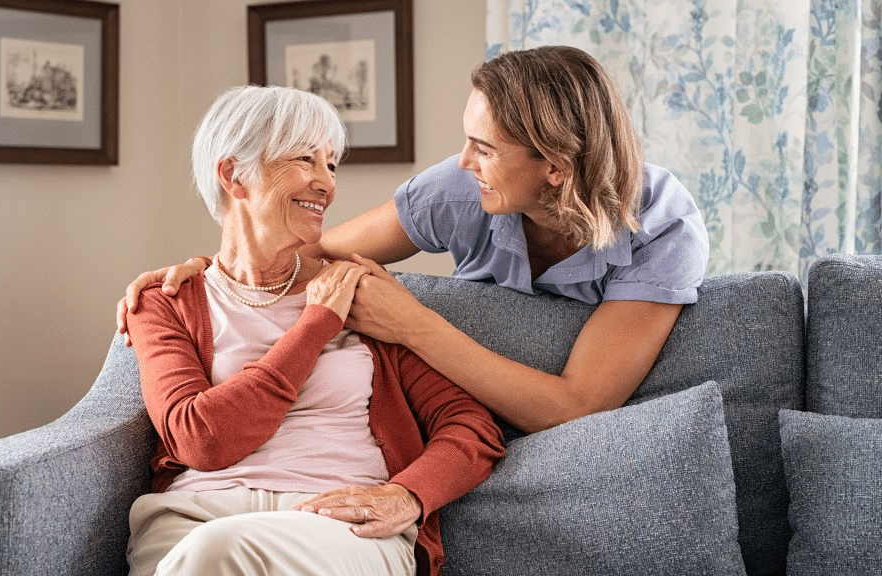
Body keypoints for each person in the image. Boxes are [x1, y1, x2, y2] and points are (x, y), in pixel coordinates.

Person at [119, 45, 709, 436]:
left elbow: (578, 407)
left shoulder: (661, 226)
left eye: (485, 148)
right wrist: (207, 271)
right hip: (459, 415)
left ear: (554, 167)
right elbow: (306, 252)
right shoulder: (459, 190)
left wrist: (411, 324)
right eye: (466, 139)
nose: (462, 160)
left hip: (566, 433)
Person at [124, 85, 504, 576]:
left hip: (335, 522)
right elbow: (201, 440)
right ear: (233, 176)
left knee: (216, 553)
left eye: (331, 165)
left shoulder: (362, 294)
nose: (326, 184)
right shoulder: (164, 302)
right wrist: (316, 324)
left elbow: (472, 427)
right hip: (192, 517)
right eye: (305, 159)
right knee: (207, 549)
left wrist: (407, 496)